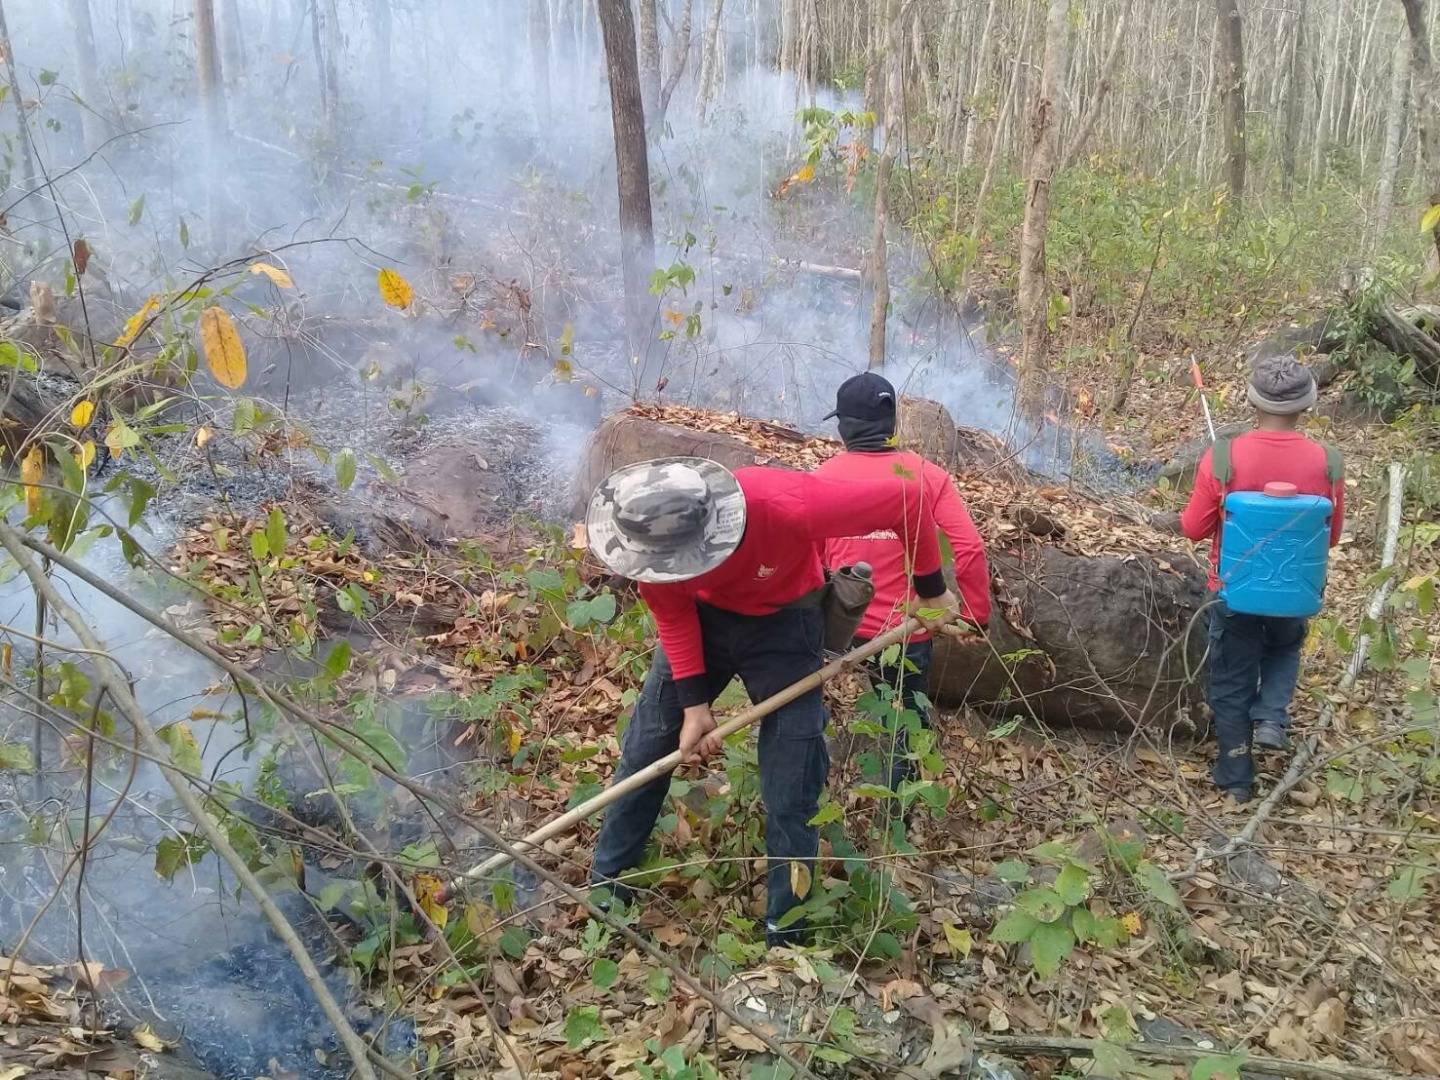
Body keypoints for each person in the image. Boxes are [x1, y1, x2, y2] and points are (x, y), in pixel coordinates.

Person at [584, 455, 957, 945]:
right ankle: (607, 894)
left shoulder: (783, 503)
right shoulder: (646, 548)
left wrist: (930, 591)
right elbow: (674, 617)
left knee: (791, 781)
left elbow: (908, 501)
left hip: (786, 622)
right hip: (704, 622)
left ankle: (788, 930)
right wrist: (695, 707)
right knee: (647, 748)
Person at [1179, 356, 1344, 803]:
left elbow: (1192, 528)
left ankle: (1236, 775)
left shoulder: (1224, 457)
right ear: (1307, 404)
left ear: (1252, 401)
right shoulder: (1327, 462)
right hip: (1295, 591)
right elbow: (1329, 536)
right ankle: (1271, 715)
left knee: (1231, 679)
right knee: (1284, 647)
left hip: (1234, 591)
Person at [816, 373, 991, 790]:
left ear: (842, 427)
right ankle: (898, 819)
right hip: (903, 633)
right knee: (904, 723)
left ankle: (824, 796)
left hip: (838, 629)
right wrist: (975, 616)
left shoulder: (822, 477)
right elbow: (969, 548)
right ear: (893, 423)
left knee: (815, 715)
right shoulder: (928, 476)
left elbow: (812, 558)